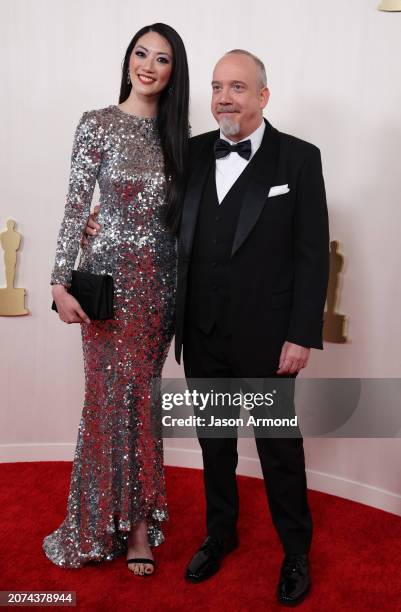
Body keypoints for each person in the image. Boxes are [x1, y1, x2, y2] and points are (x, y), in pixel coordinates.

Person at [84, 49, 329, 605]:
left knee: (277, 449)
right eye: (218, 86)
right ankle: (220, 535)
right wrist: (103, 225)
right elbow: (152, 217)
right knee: (215, 445)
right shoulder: (191, 153)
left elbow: (313, 257)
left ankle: (296, 551)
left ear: (263, 96)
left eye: (238, 87)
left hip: (269, 339)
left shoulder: (298, 160)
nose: (224, 97)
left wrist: (300, 334)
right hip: (203, 332)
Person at [43, 23, 189, 576]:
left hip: (158, 291)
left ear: (176, 72)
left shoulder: (182, 137)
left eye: (163, 59)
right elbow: (76, 206)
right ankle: (101, 522)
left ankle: (139, 527)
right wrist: (60, 280)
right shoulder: (97, 124)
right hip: (107, 287)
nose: (149, 65)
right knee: (107, 403)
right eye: (141, 53)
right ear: (128, 59)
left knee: (141, 404)